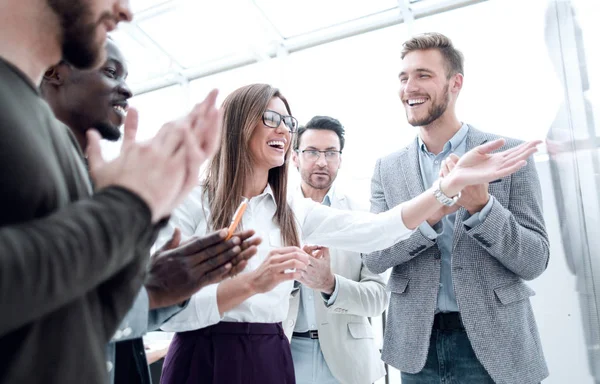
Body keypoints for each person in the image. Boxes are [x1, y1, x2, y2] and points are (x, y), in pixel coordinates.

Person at [156, 83, 539, 384]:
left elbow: (378, 230)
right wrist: (253, 283)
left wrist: (446, 188)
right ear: (238, 125)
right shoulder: (189, 202)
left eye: (288, 122)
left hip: (269, 356)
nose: (284, 130)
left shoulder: (291, 211)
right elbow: (165, 310)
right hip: (203, 355)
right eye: (271, 118)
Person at [0, 0, 225, 383]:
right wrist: (131, 205)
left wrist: (143, 253)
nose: (125, 11)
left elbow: (77, 320)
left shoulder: (54, 134)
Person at [40, 39, 260, 384]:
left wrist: (161, 287)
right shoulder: (28, 174)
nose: (126, 90)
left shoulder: (95, 182)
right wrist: (151, 289)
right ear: (54, 71)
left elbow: (104, 314)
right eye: (111, 73)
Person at [363, 32, 550, 384]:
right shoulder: (386, 169)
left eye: (423, 75)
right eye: (403, 77)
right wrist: (429, 217)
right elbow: (373, 257)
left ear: (455, 83)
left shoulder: (507, 155)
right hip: (417, 349)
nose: (409, 87)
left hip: (497, 344)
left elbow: (535, 260)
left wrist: (483, 208)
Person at [284, 115, 388, 384]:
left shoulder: (362, 215)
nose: (322, 161)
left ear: (340, 159)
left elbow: (378, 297)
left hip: (349, 361)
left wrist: (330, 285)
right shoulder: (274, 212)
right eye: (312, 152)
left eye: (331, 153)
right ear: (294, 157)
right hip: (287, 353)